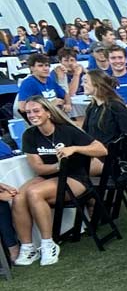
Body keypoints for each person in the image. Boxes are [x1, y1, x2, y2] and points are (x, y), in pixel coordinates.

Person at [11, 97, 107, 267]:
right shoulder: (30, 135)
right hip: (50, 176)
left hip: (76, 178)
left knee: (34, 193)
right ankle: (28, 247)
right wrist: (60, 165)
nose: (32, 115)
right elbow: (39, 168)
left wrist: (75, 148)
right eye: (28, 112)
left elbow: (101, 149)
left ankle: (48, 243)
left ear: (48, 112)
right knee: (19, 197)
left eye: (36, 111)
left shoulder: (67, 131)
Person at [81, 70, 127, 166]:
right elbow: (85, 132)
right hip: (93, 151)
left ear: (97, 84)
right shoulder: (92, 107)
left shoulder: (115, 106)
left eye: (86, 82)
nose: (82, 84)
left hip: (108, 157)